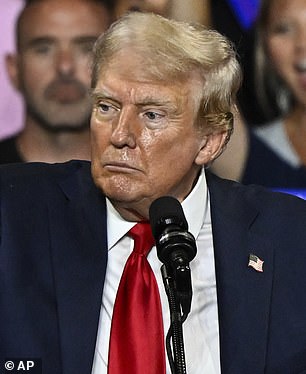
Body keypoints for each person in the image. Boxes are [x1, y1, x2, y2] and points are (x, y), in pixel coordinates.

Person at [1, 11, 306, 374]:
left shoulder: (290, 239)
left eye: (151, 115)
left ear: (209, 141)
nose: (119, 135)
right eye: (106, 107)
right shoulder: (15, 212)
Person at [0, 0, 112, 163]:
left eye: (88, 48)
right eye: (43, 49)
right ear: (14, 69)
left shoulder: (150, 182)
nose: (64, 67)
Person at [212, 0, 306, 189]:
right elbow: (197, 56)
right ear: (265, 47)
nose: (302, 45)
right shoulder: (252, 153)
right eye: (284, 29)